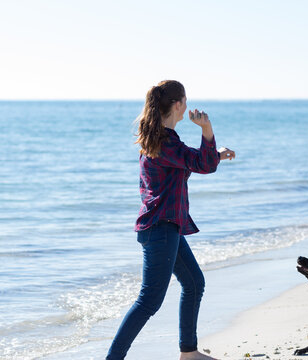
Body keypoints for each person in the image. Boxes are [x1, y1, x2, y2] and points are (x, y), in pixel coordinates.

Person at [106, 80, 235, 360]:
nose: (187, 107)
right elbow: (203, 164)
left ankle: (188, 353)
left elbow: (194, 162)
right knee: (148, 302)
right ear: (177, 105)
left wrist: (216, 155)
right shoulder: (164, 141)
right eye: (185, 102)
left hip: (166, 228)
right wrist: (207, 129)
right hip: (161, 230)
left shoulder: (162, 140)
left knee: (194, 284)